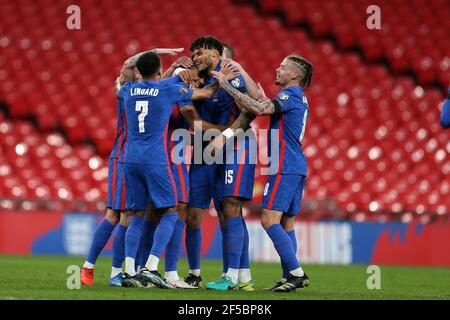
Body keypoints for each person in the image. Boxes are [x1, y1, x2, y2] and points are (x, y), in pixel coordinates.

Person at [118, 51, 237, 288]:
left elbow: (124, 72)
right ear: (160, 71)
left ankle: (128, 271)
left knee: (137, 216)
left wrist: (167, 65)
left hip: (130, 159)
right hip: (156, 158)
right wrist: (220, 78)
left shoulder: (127, 90)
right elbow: (206, 92)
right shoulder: (168, 89)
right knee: (172, 211)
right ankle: (151, 267)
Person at [80, 48, 184, 287]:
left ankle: (111, 270)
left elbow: (156, 83)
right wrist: (156, 52)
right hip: (124, 156)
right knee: (119, 215)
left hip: (131, 157)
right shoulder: (129, 88)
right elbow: (135, 68)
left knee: (127, 215)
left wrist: (160, 63)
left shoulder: (132, 90)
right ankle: (104, 269)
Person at [210, 54, 313, 292]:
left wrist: (227, 86)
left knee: (269, 219)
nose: (278, 69)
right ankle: (289, 276)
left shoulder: (289, 95)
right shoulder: (297, 98)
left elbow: (258, 108)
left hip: (284, 165)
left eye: (284, 67)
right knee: (287, 223)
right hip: (295, 165)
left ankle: (296, 273)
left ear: (294, 75)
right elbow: (266, 104)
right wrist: (247, 77)